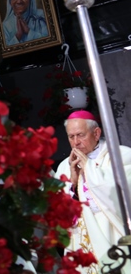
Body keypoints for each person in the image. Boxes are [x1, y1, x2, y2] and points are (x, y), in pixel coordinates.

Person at [55, 110, 131, 273]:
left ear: (96, 133)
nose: (76, 142)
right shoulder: (64, 167)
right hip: (80, 240)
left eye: (80, 135)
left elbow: (123, 194)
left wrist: (89, 169)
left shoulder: (120, 156)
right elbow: (57, 211)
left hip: (112, 234)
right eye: (71, 137)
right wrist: (73, 183)